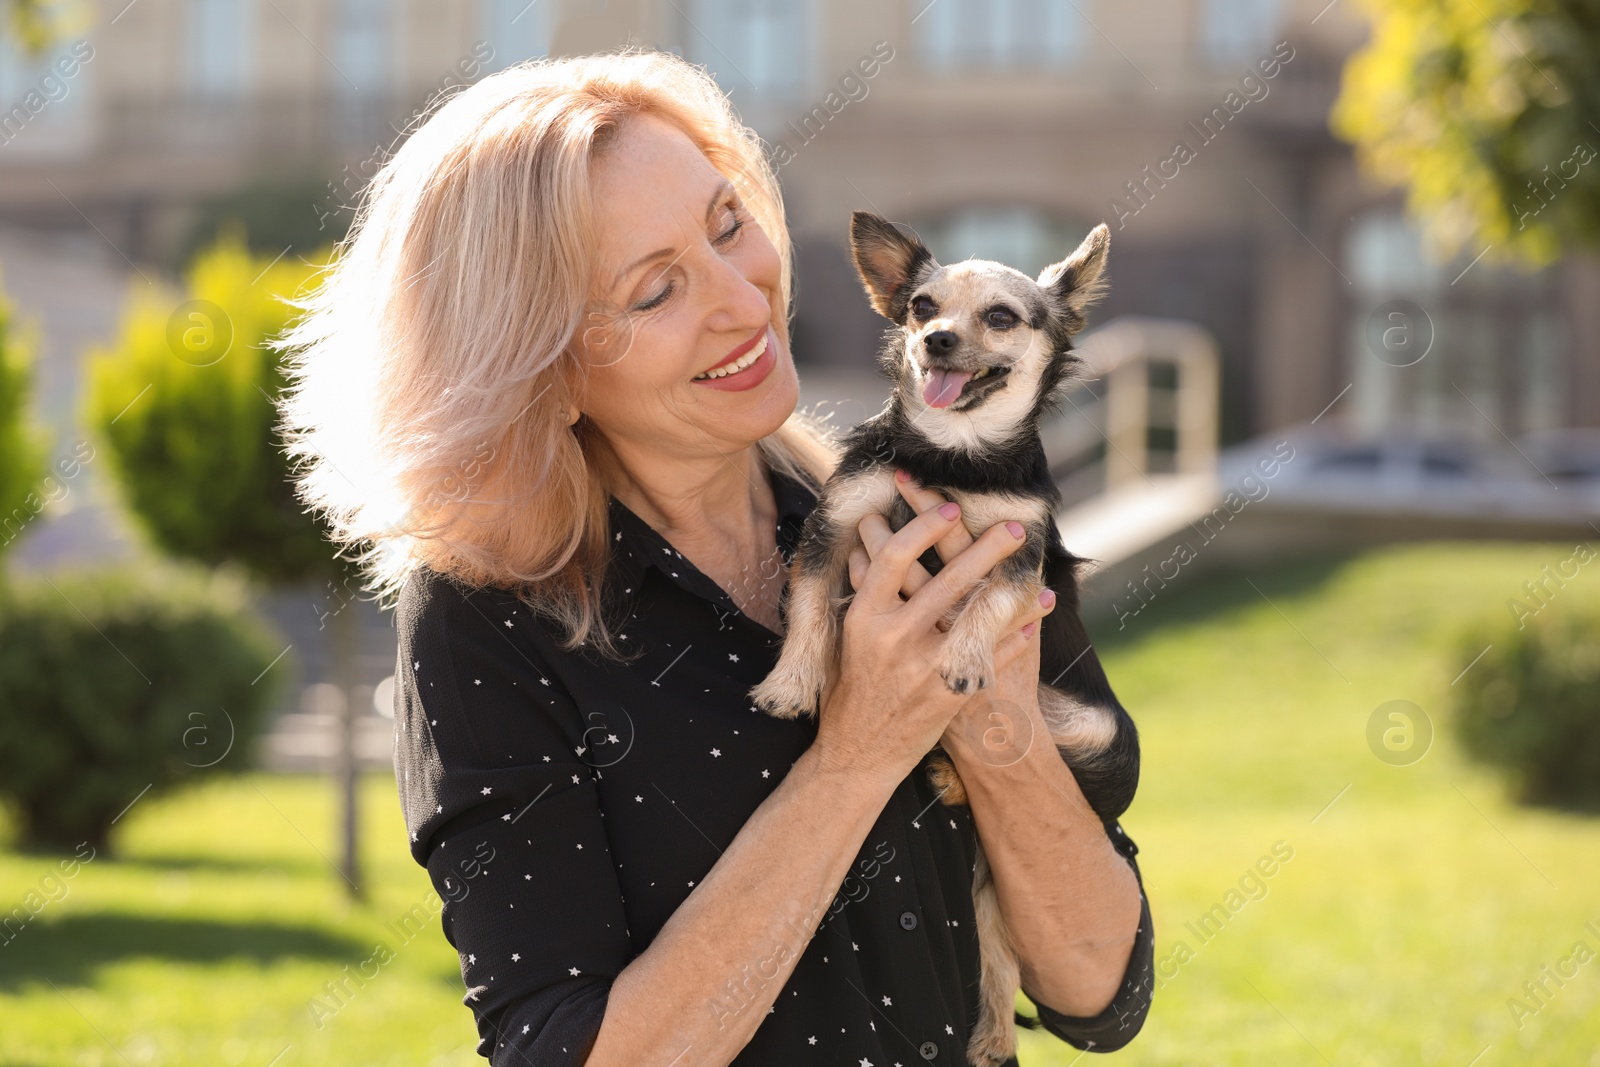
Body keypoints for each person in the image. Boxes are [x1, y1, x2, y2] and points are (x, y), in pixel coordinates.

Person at [276, 49, 1154, 1067]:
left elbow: (1100, 988)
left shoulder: (929, 517)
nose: (742, 298)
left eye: (728, 224)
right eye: (656, 290)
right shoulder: (487, 617)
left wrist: (992, 721)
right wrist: (858, 752)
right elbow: (565, 1050)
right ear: (540, 371)